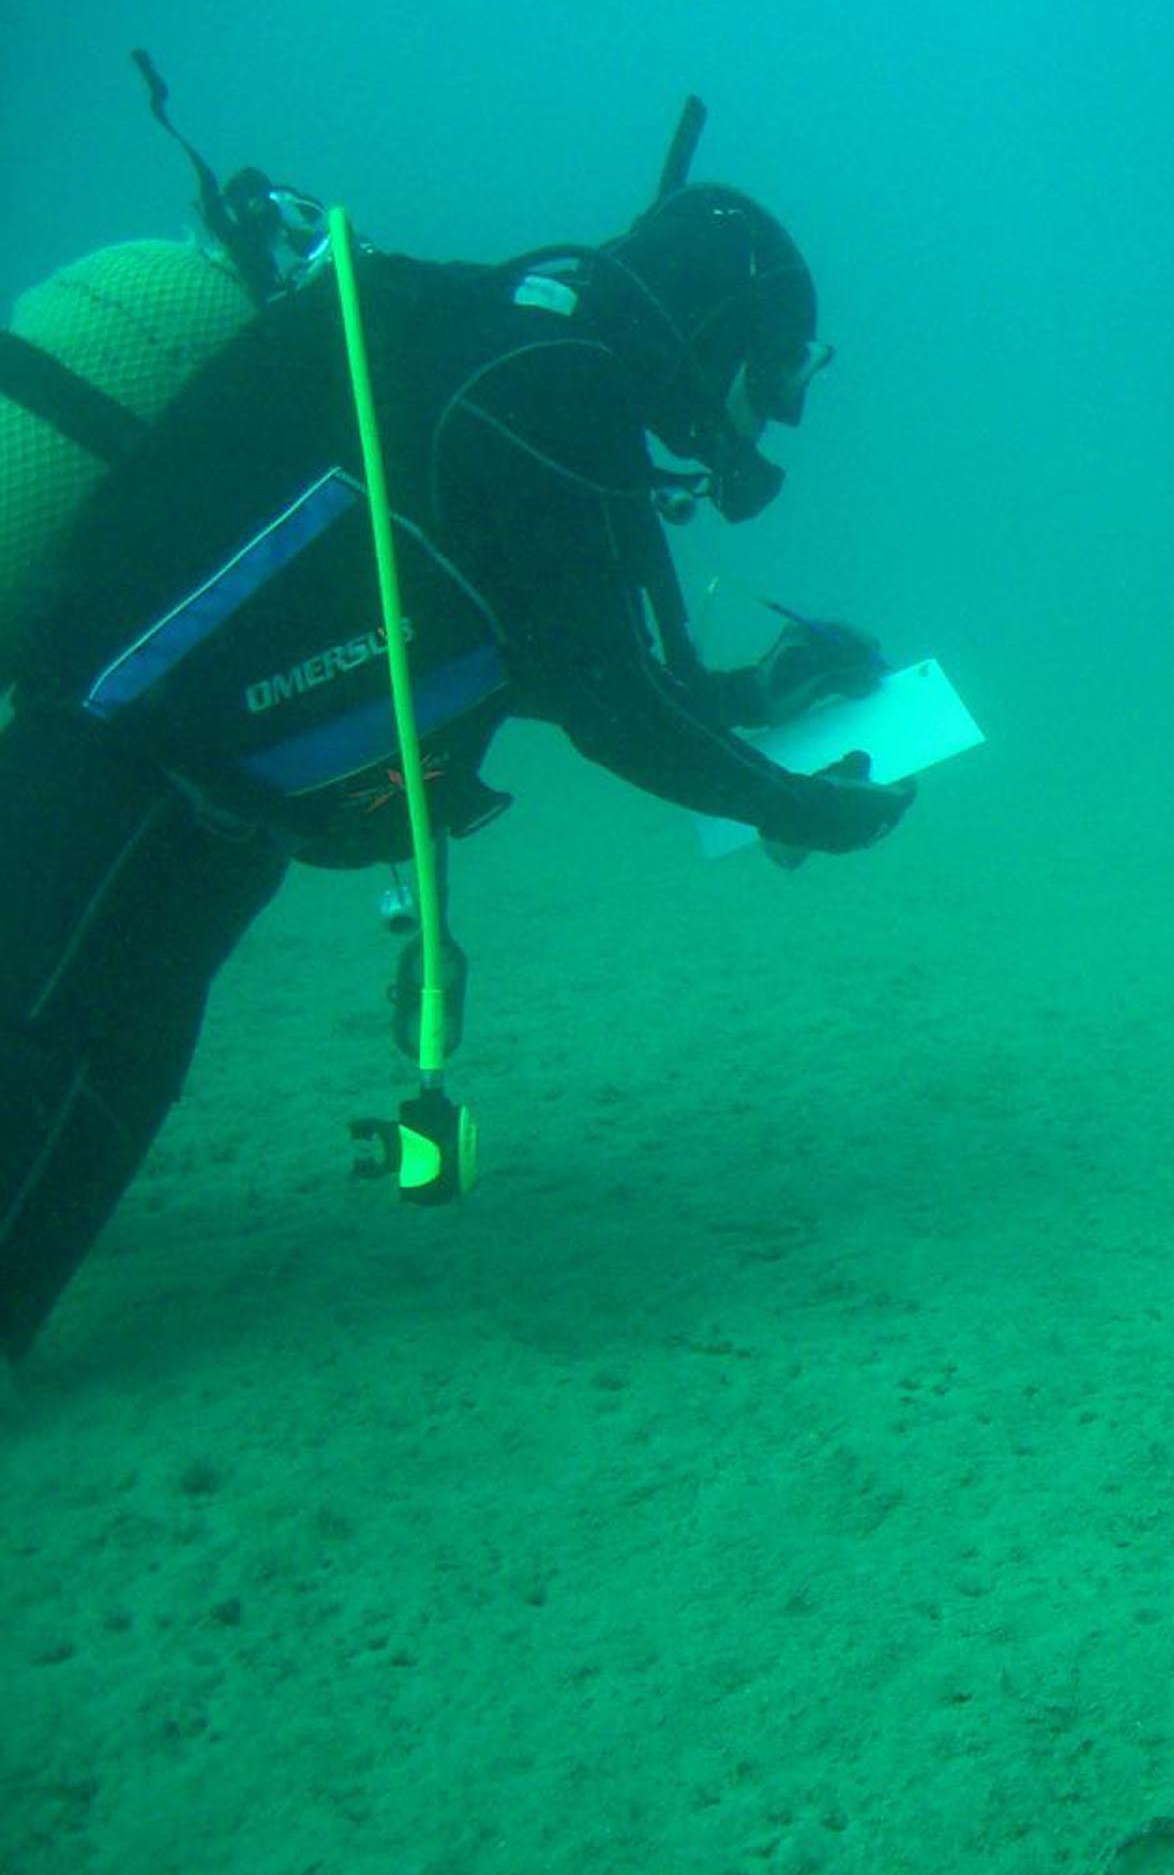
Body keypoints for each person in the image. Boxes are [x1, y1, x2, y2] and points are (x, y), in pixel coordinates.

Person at [0, 124, 913, 1362]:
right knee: (48, 1041)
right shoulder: (545, 386)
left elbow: (570, 658)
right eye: (775, 365)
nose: (775, 406)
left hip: (213, 795)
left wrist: (766, 693)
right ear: (715, 325)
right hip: (118, 762)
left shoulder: (542, 378)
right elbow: (613, 710)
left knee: (120, 1062)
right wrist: (804, 812)